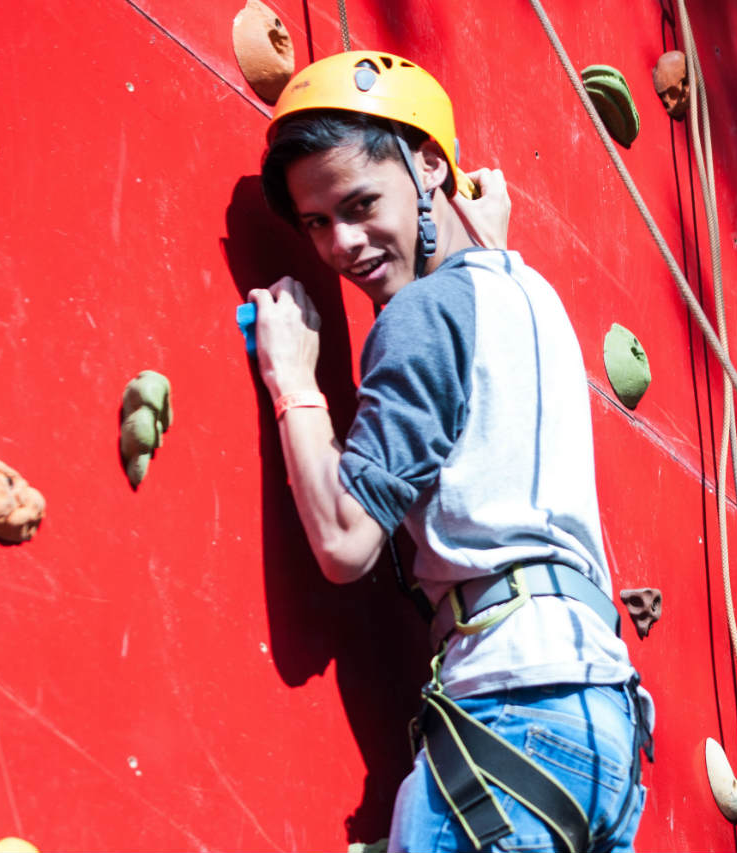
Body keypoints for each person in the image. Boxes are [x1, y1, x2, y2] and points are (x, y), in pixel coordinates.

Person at [247, 50, 652, 852]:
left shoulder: (424, 314)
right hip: (605, 728)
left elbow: (344, 539)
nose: (343, 245)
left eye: (362, 203)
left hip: (510, 713)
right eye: (316, 222)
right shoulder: (531, 295)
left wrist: (293, 378)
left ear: (429, 162)